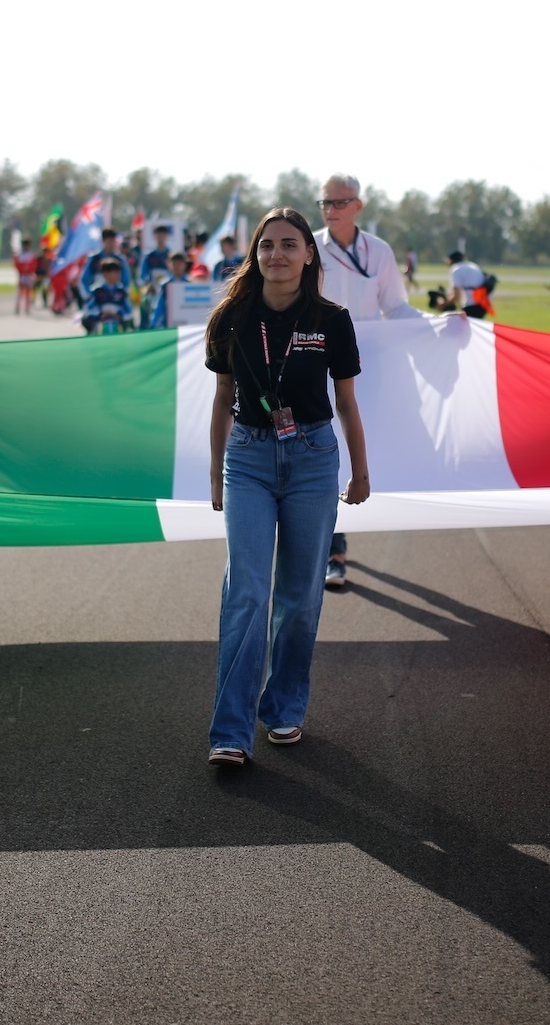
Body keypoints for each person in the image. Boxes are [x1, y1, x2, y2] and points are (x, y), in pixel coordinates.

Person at [204, 207, 369, 767]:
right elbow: (223, 396)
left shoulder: (332, 319)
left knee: (299, 598)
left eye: (289, 244)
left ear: (308, 254)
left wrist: (361, 470)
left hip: (313, 460)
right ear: (255, 254)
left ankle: (284, 708)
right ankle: (230, 732)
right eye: (267, 245)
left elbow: (346, 401)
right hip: (247, 459)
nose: (277, 254)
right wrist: (214, 469)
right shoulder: (231, 316)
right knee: (247, 592)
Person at [313, 172, 420, 589]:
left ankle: (331, 538)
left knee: (358, 451)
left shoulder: (378, 251)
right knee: (324, 451)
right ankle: (331, 550)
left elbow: (396, 307)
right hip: (314, 363)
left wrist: (438, 323)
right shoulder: (309, 247)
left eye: (340, 203)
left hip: (365, 369)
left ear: (358, 206)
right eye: (325, 203)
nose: (331, 210)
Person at [81, 257, 133, 334]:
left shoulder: (122, 292)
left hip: (118, 328)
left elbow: (129, 311)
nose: (118, 275)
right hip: (99, 328)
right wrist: (101, 314)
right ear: (105, 273)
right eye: (115, 272)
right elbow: (88, 308)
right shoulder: (97, 291)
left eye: (119, 272)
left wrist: (118, 315)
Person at [446, 251, 490, 317]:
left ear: (451, 260)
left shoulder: (456, 269)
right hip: (484, 302)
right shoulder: (472, 265)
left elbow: (456, 295)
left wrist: (444, 304)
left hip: (471, 304)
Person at [12, 238, 38, 315]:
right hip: (22, 275)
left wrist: (29, 270)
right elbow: (16, 264)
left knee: (28, 293)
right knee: (20, 293)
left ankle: (27, 308)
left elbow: (34, 265)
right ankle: (17, 307)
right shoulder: (19, 255)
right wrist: (22, 269)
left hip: (29, 276)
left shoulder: (31, 255)